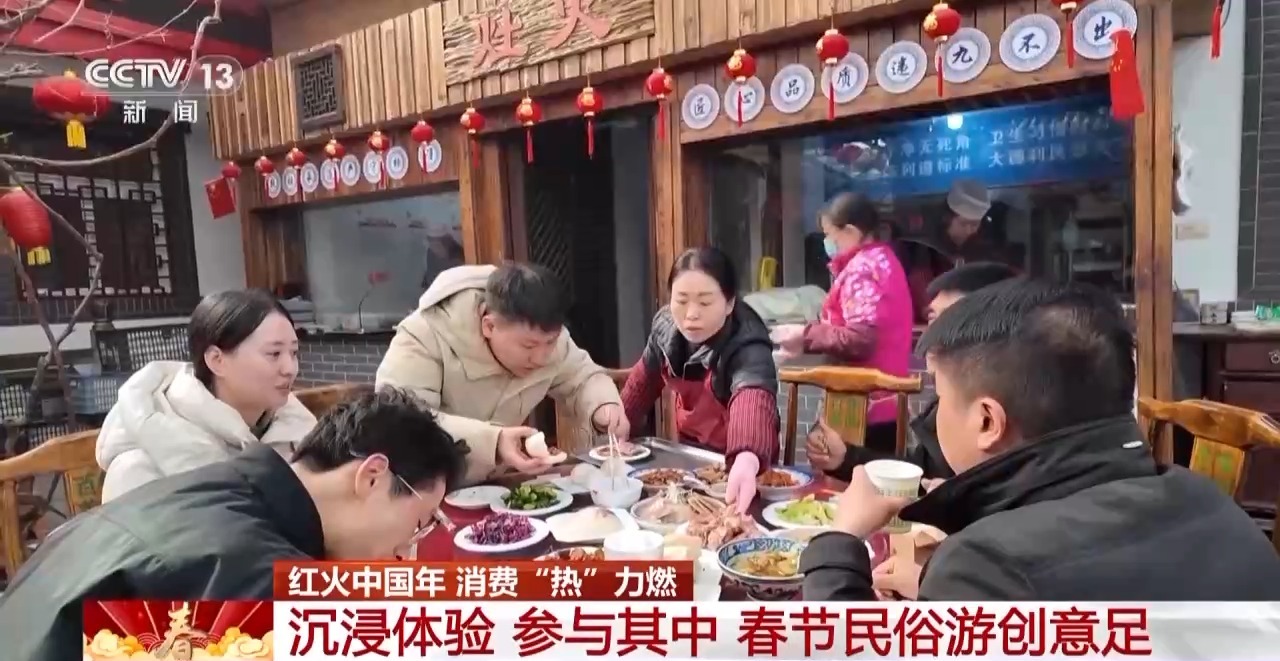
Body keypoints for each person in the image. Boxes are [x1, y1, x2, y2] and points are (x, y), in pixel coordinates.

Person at [800, 278, 1280, 601]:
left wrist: (838, 541)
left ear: (987, 421)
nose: (934, 414)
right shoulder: (1209, 500)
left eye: (941, 397)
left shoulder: (986, 565)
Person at [1, 388, 466, 661]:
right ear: (372, 476)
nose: (406, 551)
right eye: (419, 522)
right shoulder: (257, 578)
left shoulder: (214, 488)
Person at [376, 263, 627, 486]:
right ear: (489, 325)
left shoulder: (550, 342)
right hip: (421, 493)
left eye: (550, 342)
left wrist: (604, 406)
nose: (541, 358)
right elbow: (401, 420)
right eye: (528, 346)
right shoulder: (426, 334)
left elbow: (583, 377)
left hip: (495, 487)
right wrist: (493, 442)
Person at [96, 289, 317, 503]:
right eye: (274, 354)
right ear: (216, 360)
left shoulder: (297, 434)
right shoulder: (138, 468)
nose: (290, 368)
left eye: (294, 353)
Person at [806, 261, 1018, 483]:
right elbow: (920, 473)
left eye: (947, 320)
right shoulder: (946, 403)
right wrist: (845, 458)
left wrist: (954, 499)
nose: (929, 337)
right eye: (932, 319)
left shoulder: (1017, 419)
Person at [620, 248, 779, 510]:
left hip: (744, 467)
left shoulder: (748, 341)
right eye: (681, 301)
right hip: (691, 457)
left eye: (705, 303)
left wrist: (747, 457)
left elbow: (753, 397)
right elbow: (643, 379)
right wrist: (621, 421)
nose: (691, 314)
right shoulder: (664, 328)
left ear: (729, 303)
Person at [771, 192, 914, 455]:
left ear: (849, 231)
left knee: (846, 473)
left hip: (861, 405)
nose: (827, 243)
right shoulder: (884, 259)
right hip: (885, 399)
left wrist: (805, 335)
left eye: (829, 235)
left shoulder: (862, 270)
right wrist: (806, 341)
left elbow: (860, 339)